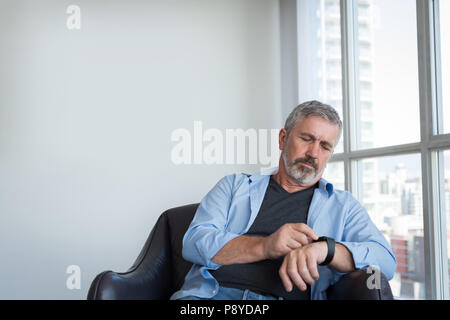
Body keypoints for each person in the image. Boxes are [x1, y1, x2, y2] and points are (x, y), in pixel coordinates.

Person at [170, 100, 396, 300]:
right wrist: (265, 246)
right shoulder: (233, 186)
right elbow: (194, 242)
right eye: (307, 139)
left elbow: (385, 261)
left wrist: (324, 250)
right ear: (283, 138)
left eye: (325, 146)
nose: (313, 153)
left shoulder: (343, 206)